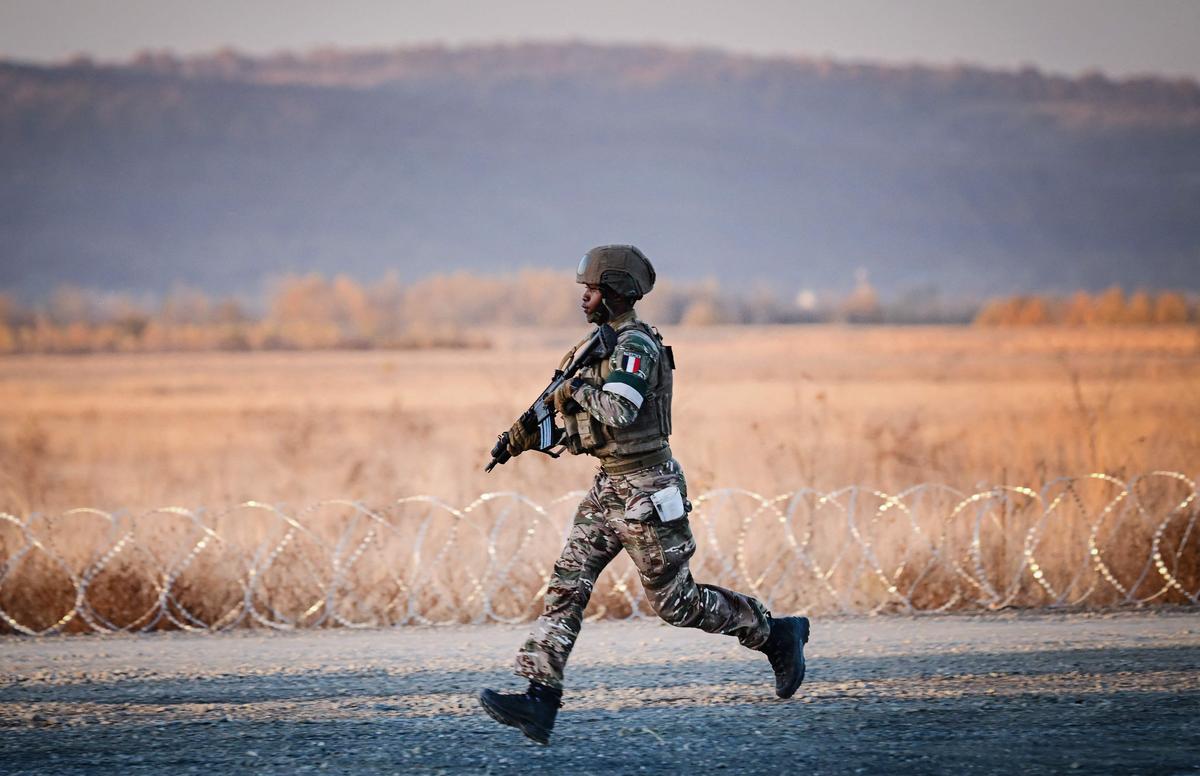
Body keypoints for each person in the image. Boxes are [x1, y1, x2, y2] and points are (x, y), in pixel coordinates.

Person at [478, 245, 809, 745]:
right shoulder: (591, 349)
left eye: (590, 290)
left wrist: (573, 393)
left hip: (648, 491)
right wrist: (522, 438)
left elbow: (618, 411)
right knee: (567, 585)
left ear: (614, 293)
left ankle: (775, 633)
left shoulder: (636, 346)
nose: (583, 299)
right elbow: (582, 427)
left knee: (676, 604)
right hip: (608, 486)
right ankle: (540, 698)